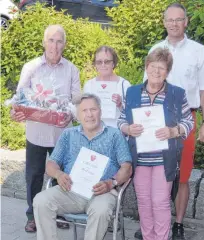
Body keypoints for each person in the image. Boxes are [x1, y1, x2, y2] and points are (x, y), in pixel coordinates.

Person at [135, 3, 204, 240]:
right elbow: (145, 87)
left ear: (186, 22)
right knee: (153, 171)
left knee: (182, 176)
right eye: (169, 20)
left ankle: (178, 224)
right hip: (155, 121)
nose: (173, 24)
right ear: (164, 22)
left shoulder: (200, 52)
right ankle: (150, 225)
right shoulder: (156, 48)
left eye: (178, 19)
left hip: (185, 120)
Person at [10, 24, 81, 233]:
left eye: (59, 41)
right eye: (51, 40)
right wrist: (16, 111)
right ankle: (33, 215)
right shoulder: (31, 67)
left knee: (62, 174)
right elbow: (19, 99)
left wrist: (70, 112)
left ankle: (58, 212)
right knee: (34, 176)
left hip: (62, 134)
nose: (55, 45)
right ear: (44, 42)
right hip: (36, 134)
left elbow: (77, 100)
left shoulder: (71, 69)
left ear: (65, 45)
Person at [118, 47, 194, 240]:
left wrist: (173, 131)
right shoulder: (133, 92)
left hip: (164, 158)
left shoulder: (177, 94)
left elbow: (189, 122)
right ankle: (148, 236)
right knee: (143, 202)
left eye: (162, 68)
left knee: (160, 202)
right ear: (146, 67)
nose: (156, 71)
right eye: (153, 66)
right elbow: (121, 119)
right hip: (140, 158)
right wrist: (127, 129)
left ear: (167, 71)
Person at [33, 93, 132, 240]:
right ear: (78, 115)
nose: (89, 115)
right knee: (41, 200)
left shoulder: (114, 135)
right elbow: (51, 164)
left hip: (102, 192)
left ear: (101, 111)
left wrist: (111, 182)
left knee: (101, 210)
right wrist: (59, 175)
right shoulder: (68, 135)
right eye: (84, 111)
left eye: (93, 109)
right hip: (70, 191)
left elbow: (127, 167)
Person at [83, 45, 131, 128]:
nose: (103, 65)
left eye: (107, 61)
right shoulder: (89, 85)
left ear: (113, 63)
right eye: (99, 62)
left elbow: (131, 114)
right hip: (95, 133)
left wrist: (120, 105)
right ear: (95, 64)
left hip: (118, 134)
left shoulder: (124, 85)